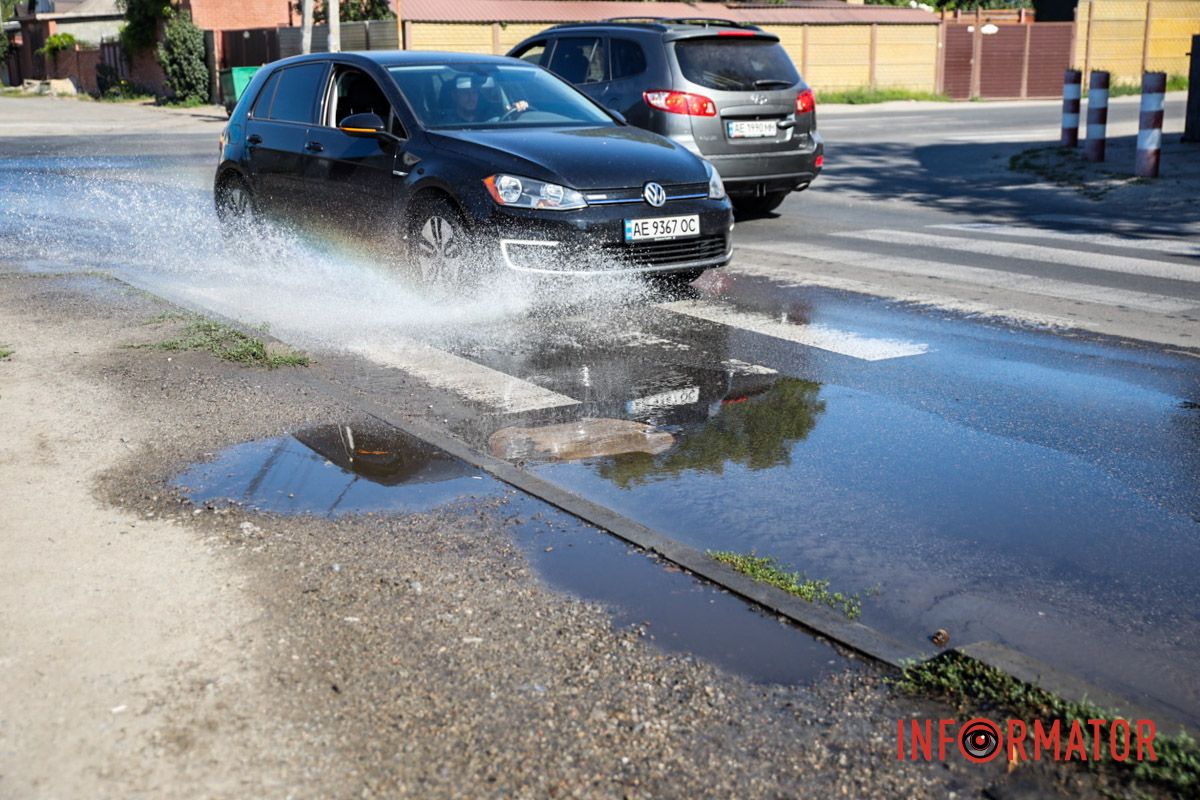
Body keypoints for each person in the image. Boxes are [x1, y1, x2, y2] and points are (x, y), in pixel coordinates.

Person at [446, 74, 529, 124]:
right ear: (455, 96)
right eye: (465, 93)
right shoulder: (445, 124)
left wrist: (516, 115)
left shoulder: (491, 117)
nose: (471, 97)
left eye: (474, 93)